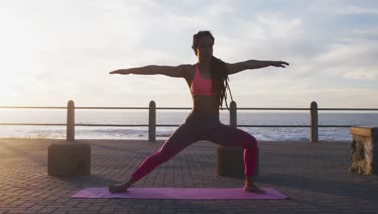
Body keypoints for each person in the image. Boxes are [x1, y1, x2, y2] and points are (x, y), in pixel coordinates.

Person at [109, 30, 289, 193]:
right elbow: (158, 69)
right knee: (162, 155)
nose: (207, 49)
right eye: (203, 46)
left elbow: (248, 64)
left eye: (210, 45)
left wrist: (270, 63)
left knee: (250, 142)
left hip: (214, 127)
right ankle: (127, 184)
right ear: (195, 48)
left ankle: (249, 184)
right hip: (193, 126)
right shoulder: (188, 70)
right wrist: (129, 71)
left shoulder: (221, 69)